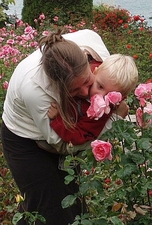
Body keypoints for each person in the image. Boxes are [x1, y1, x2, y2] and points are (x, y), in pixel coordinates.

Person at [1, 29, 126, 225]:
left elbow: (118, 86)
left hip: (68, 127)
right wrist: (113, 120)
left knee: (70, 203)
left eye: (87, 81)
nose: (87, 92)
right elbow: (61, 145)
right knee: (51, 211)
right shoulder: (35, 89)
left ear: (90, 63)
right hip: (25, 140)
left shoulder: (94, 46)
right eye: (75, 90)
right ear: (56, 85)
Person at [47, 54, 138, 146]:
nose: (100, 96)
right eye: (100, 87)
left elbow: (78, 136)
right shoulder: (84, 74)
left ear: (121, 99)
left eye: (109, 96)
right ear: (94, 72)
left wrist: (57, 118)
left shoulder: (100, 113)